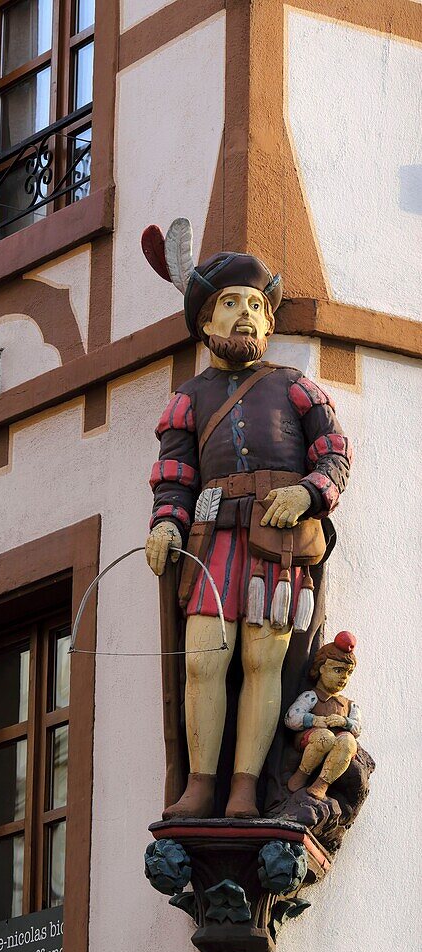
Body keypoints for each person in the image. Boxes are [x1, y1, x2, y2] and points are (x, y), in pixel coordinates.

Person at [142, 219, 352, 819]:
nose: (246, 316)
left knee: (265, 660)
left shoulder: (293, 387)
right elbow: (175, 474)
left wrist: (311, 495)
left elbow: (333, 450)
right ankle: (201, 783)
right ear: (205, 322)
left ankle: (244, 788)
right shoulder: (189, 397)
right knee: (205, 656)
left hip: (278, 541)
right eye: (229, 303)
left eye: (256, 305)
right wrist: (165, 524)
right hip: (212, 539)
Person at [284, 632, 360, 800]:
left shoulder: (349, 704)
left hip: (339, 742)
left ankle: (322, 783)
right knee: (325, 737)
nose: (343, 678)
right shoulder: (311, 696)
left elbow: (357, 727)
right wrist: (314, 720)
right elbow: (291, 718)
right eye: (338, 670)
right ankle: (302, 774)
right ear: (322, 668)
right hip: (313, 738)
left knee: (348, 741)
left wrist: (344, 721)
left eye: (348, 673)